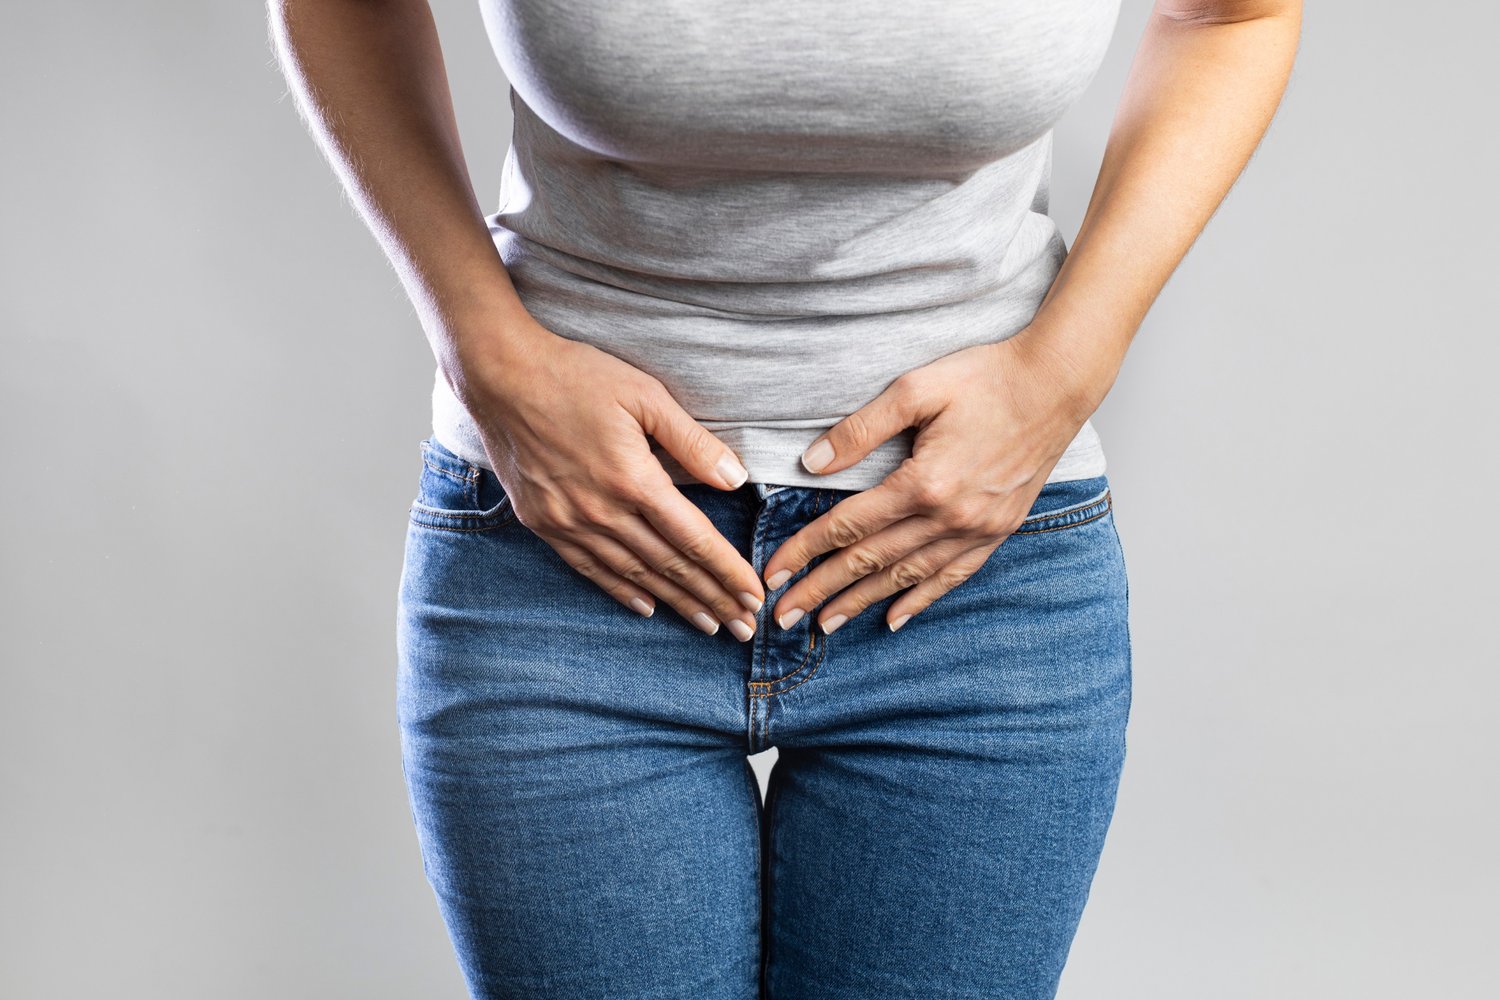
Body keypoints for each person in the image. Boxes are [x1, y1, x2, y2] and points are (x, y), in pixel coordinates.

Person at [269, 0, 1300, 995]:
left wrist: (1065, 371)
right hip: (569, 555)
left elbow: (1234, 13)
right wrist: (483, 354)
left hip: (972, 576)